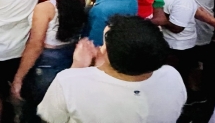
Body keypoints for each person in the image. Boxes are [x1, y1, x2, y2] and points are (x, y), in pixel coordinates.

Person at [37, 16, 187, 123]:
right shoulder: (172, 76)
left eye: (104, 45)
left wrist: (77, 68)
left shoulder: (68, 81)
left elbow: (51, 118)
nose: (101, 49)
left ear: (108, 53)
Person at [11, 0, 87, 123]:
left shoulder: (44, 8)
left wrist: (18, 77)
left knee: (40, 104)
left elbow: (35, 45)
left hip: (48, 61)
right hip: (70, 53)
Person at [155, 0, 198, 83]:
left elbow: (177, 28)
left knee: (177, 75)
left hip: (179, 45)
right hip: (166, 39)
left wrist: (162, 19)